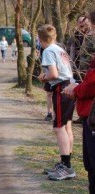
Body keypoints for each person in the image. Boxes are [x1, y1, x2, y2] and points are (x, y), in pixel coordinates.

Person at [63, 9, 95, 194]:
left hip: (92, 111)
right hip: (88, 111)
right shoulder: (81, 40)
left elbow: (92, 82)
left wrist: (76, 90)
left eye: (89, 26)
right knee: (90, 162)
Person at [37, 24, 75, 181]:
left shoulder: (48, 51)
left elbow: (53, 73)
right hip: (70, 86)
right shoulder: (60, 49)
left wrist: (43, 77)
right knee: (66, 126)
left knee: (58, 127)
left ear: (40, 39)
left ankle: (66, 167)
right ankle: (65, 163)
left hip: (62, 89)